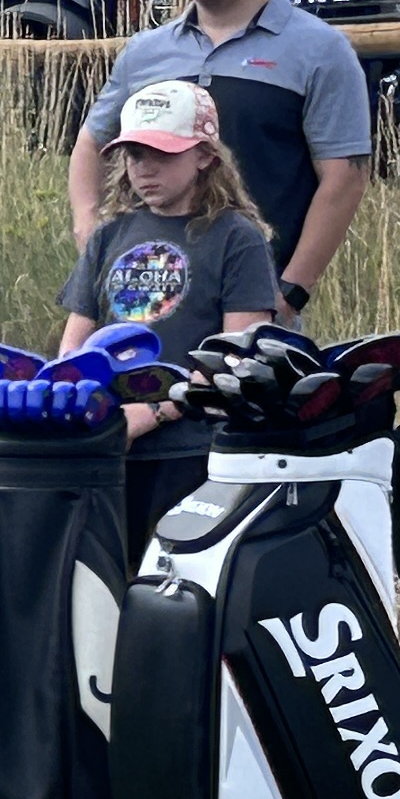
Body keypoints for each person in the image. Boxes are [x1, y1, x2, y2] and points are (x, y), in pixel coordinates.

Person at [72, 0, 371, 305]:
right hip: (146, 297)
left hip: (252, 300)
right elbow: (91, 144)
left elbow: (344, 179)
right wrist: (90, 239)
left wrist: (290, 292)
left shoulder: (321, 50)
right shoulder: (144, 53)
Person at [62, 80, 279, 557]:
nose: (144, 169)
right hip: (106, 448)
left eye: (162, 154)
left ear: (204, 156)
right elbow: (73, 347)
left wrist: (150, 413)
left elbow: (234, 359)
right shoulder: (110, 234)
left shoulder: (235, 238)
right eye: (134, 155)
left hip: (193, 451)